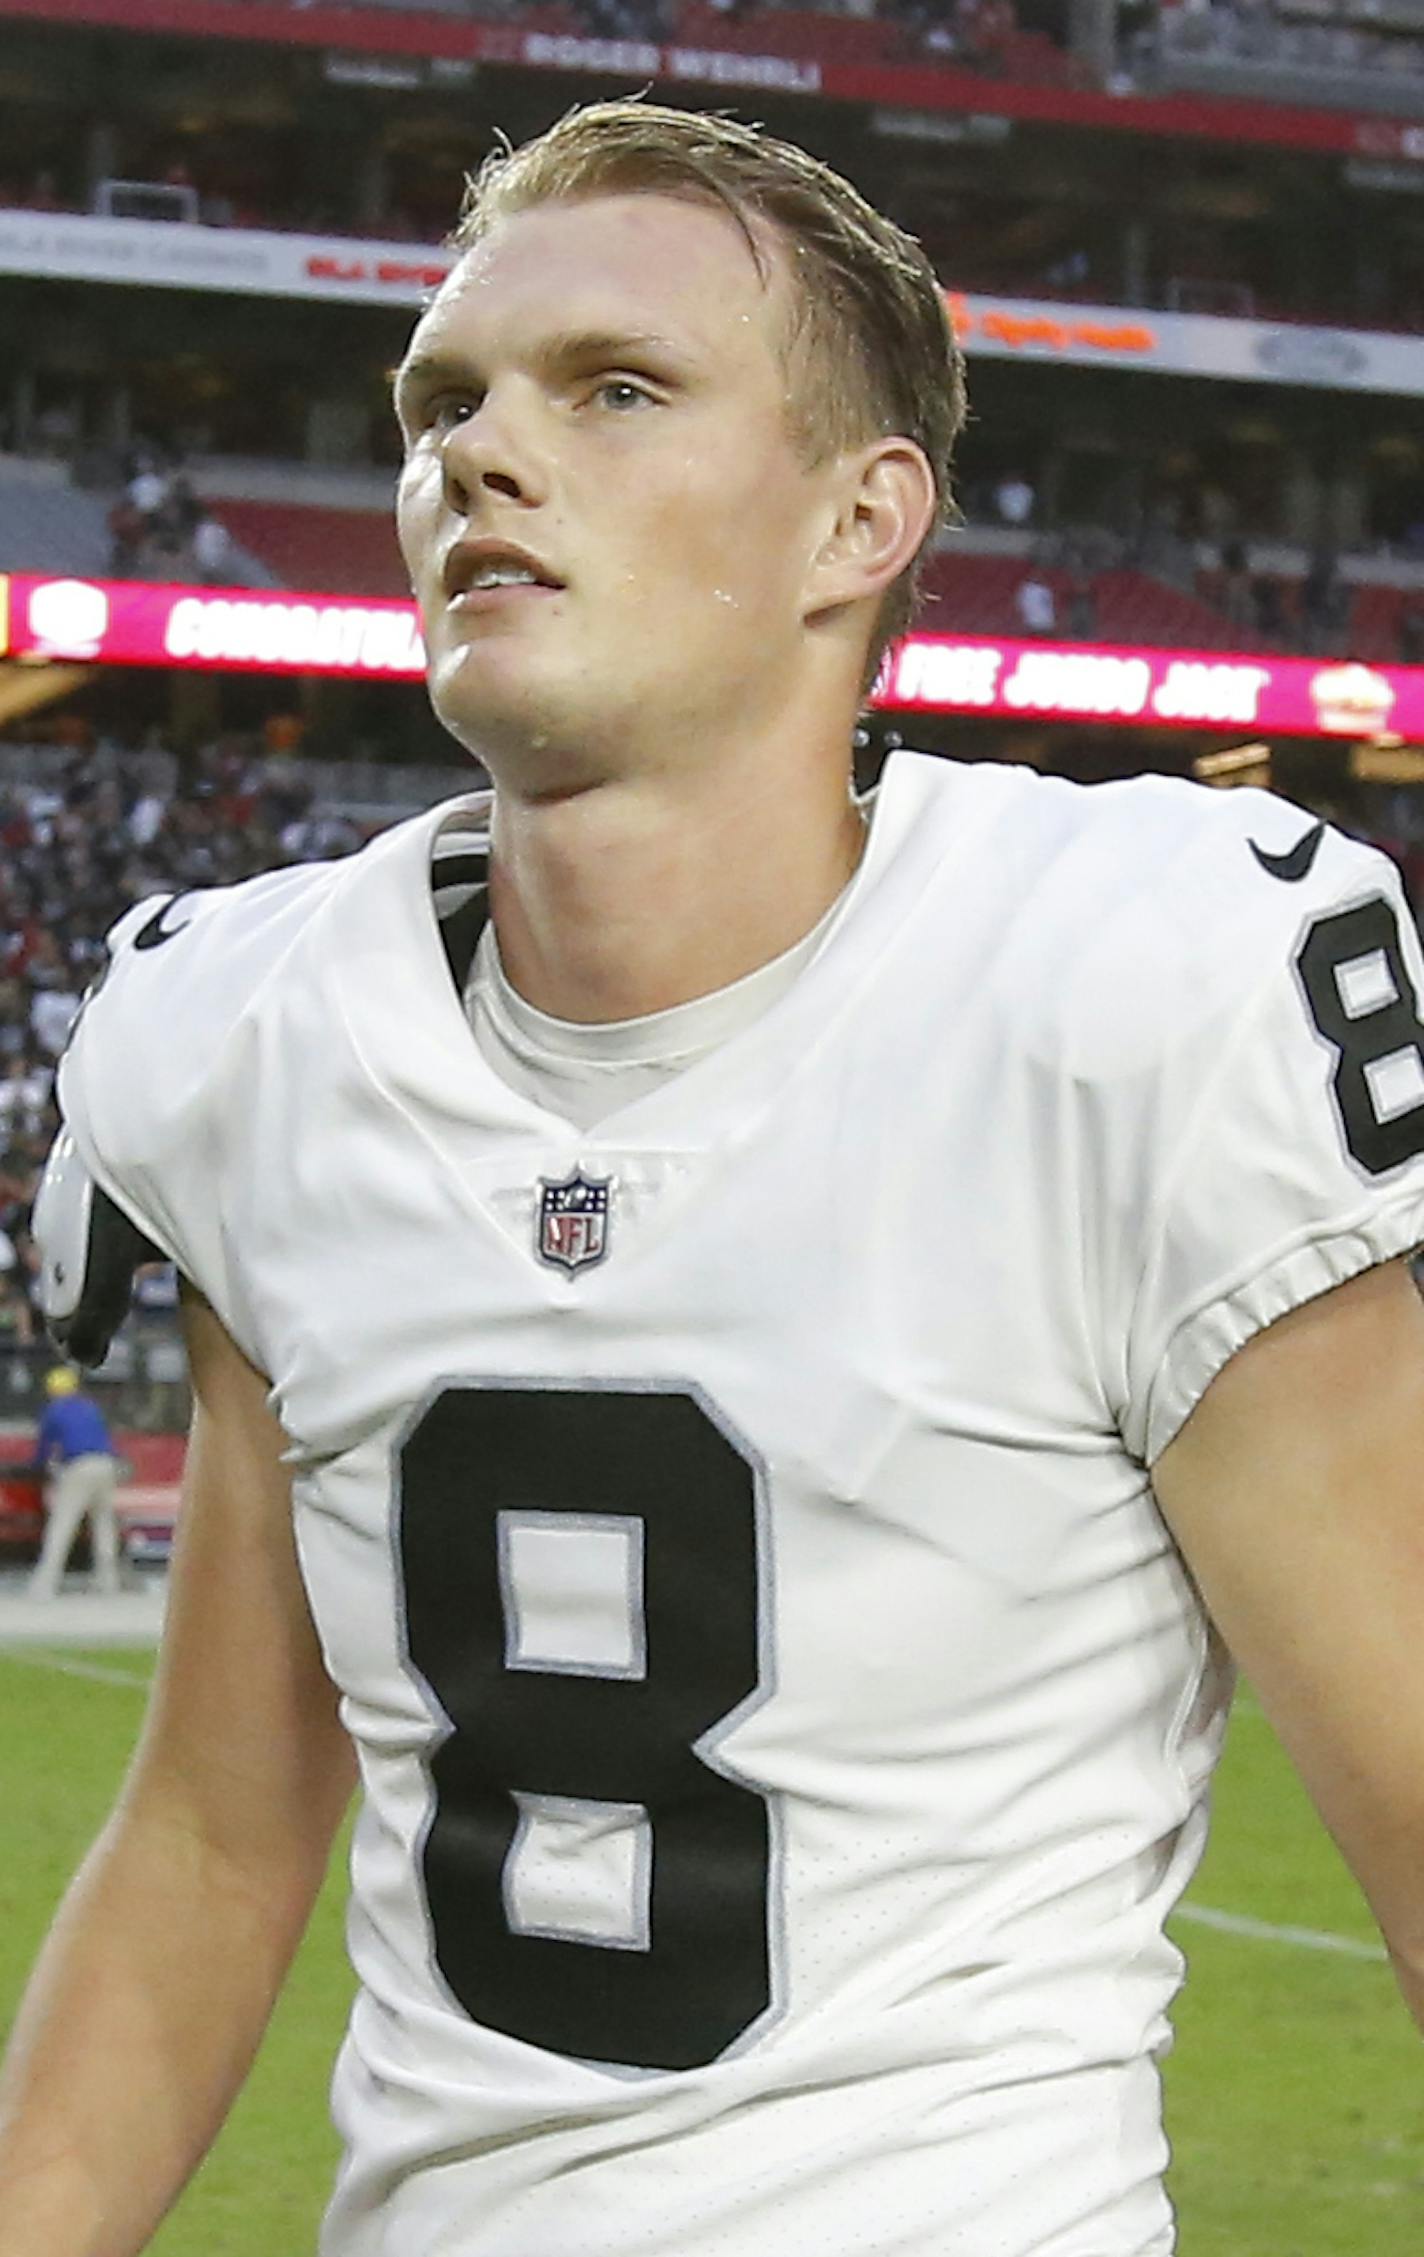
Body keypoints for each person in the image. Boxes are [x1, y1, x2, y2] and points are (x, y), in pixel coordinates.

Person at [3, 98, 1424, 2257]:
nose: (480, 452)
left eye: (616, 391)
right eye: (444, 403)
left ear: (859, 520)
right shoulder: (254, 1043)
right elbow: (209, 1842)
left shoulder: (1127, 1001)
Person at [27, 1365, 121, 1601]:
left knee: (63, 1523)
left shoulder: (54, 1410)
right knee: (104, 1523)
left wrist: (36, 1467)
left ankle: (45, 1584)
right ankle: (108, 1583)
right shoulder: (90, 1407)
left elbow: (44, 1447)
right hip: (106, 1464)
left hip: (79, 1466)